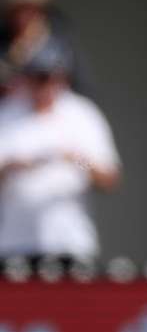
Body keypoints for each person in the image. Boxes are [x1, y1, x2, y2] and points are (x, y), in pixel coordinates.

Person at [0, 36, 120, 261]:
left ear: (62, 78)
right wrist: (13, 166)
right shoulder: (7, 113)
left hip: (69, 242)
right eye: (36, 77)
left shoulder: (82, 115)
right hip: (13, 245)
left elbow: (109, 178)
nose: (43, 86)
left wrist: (76, 160)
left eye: (49, 78)